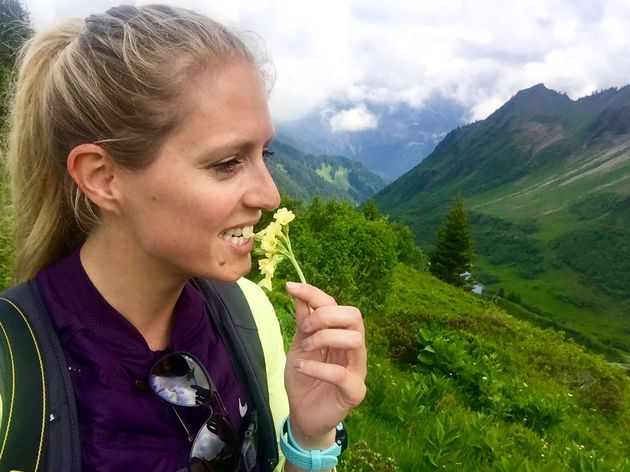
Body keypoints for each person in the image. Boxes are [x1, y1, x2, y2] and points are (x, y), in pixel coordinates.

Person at [0, 4, 366, 471]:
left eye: (265, 153)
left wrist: (310, 439)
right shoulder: (12, 375)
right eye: (226, 163)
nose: (270, 195)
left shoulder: (249, 315)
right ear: (103, 178)